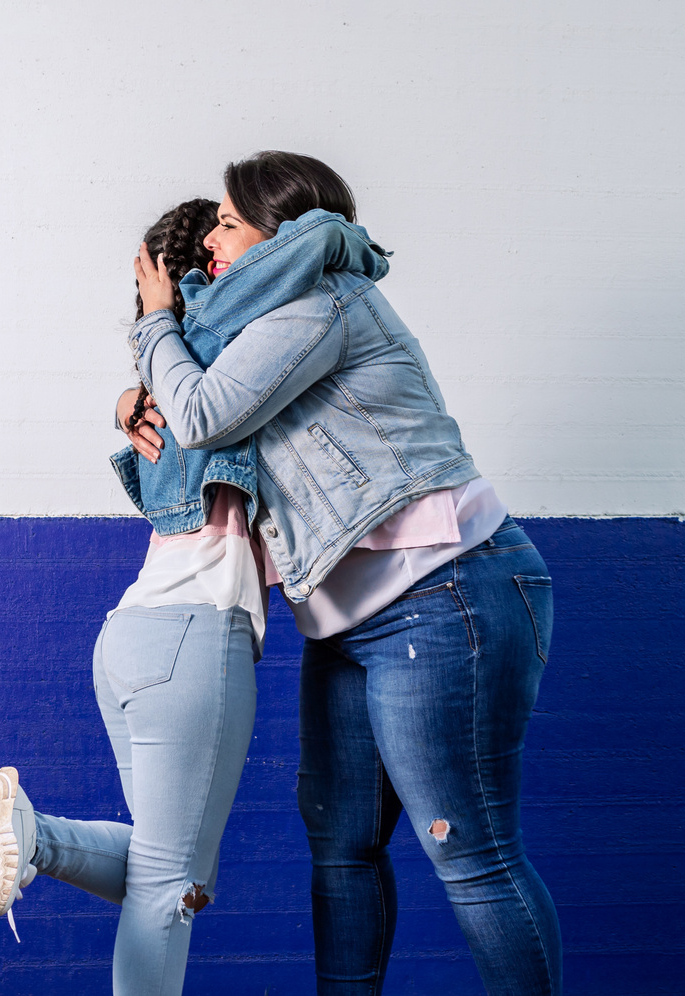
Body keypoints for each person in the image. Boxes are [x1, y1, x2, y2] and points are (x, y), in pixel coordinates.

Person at [123, 150, 563, 996]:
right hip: (349, 621)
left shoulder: (317, 300)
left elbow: (206, 414)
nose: (211, 239)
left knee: (468, 853)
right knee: (342, 851)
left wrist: (153, 322)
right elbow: (192, 412)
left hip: (444, 591)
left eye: (227, 222)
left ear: (279, 234)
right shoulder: (250, 330)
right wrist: (128, 395)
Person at [0, 197, 390, 996]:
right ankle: (31, 834)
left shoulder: (162, 384)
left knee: (175, 872)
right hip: (196, 643)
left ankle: (31, 835)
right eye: (224, 236)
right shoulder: (233, 368)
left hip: (126, 643)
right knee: (169, 889)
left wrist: (136, 373)